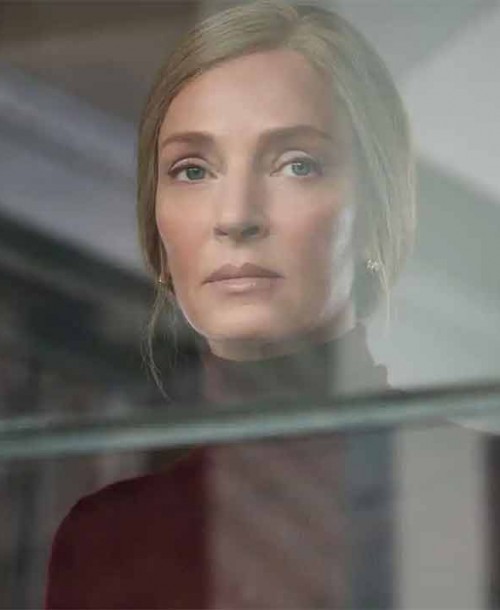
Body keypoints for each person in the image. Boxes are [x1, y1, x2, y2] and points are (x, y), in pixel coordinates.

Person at [45, 1, 415, 608]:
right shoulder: (104, 540)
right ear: (158, 229)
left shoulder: (475, 491)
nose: (237, 216)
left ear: (375, 212)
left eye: (297, 164)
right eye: (193, 170)